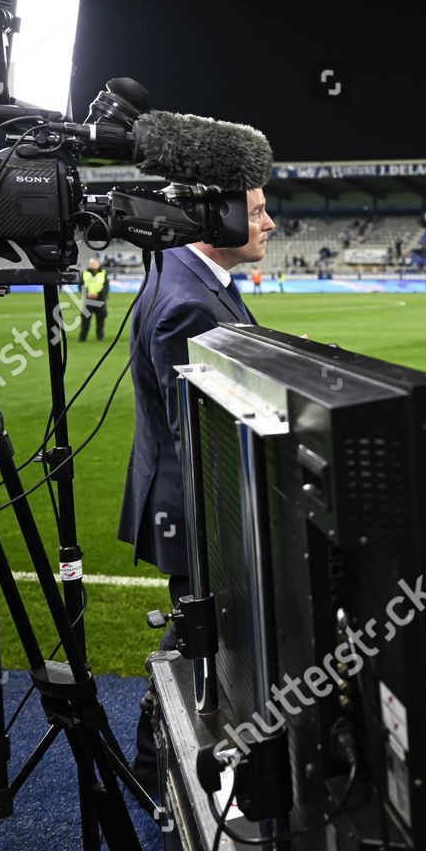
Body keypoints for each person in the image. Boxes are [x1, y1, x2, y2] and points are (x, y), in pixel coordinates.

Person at [119, 187, 275, 785]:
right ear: (219, 216)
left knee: (198, 636)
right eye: (258, 210)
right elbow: (199, 438)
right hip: (196, 511)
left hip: (189, 504)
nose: (269, 222)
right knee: (197, 641)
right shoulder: (188, 297)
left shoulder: (193, 278)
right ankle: (154, 769)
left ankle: (158, 766)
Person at [78, 257, 109, 341]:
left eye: (95, 264)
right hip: (88, 300)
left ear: (98, 264)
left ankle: (100, 337)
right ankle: (82, 337)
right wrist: (86, 293)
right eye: (92, 264)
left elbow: (106, 287)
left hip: (100, 300)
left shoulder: (104, 273)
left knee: (100, 320)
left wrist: (98, 294)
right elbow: (80, 286)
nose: (93, 265)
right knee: (85, 320)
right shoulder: (85, 273)